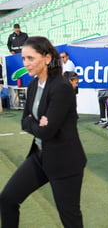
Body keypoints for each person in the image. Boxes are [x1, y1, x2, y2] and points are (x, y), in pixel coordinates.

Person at [0, 36, 87, 227]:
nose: (26, 63)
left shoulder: (62, 87)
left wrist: (36, 124)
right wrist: (37, 125)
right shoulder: (32, 86)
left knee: (70, 218)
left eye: (30, 58)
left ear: (47, 58)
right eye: (24, 59)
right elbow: (24, 122)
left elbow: (46, 132)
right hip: (40, 157)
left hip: (65, 162)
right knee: (7, 199)